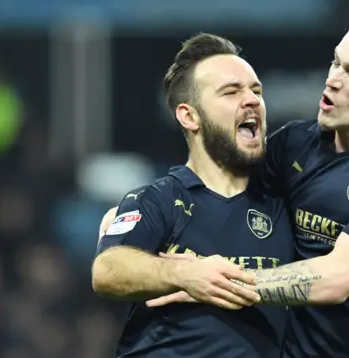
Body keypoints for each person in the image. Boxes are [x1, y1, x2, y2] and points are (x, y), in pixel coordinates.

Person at [100, 17, 349, 357]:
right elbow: (215, 188)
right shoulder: (294, 146)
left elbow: (335, 279)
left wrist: (213, 283)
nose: (332, 80)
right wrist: (132, 229)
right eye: (336, 62)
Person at [92, 33, 295, 358]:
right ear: (190, 116)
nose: (253, 99)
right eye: (231, 91)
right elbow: (107, 270)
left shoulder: (285, 207)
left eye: (256, 90)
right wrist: (185, 274)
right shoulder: (158, 199)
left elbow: (339, 276)